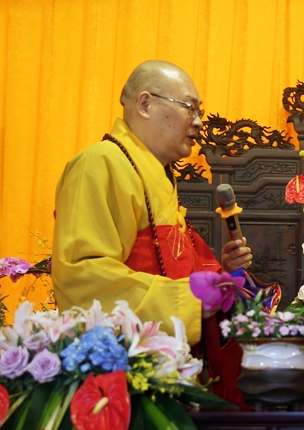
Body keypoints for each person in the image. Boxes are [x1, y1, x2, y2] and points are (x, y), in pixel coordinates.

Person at [52, 60, 252, 401]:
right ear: (145, 104)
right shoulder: (100, 163)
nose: (199, 122)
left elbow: (163, 260)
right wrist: (188, 301)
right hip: (120, 377)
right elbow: (82, 276)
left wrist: (219, 272)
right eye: (190, 108)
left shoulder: (156, 175)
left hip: (165, 364)